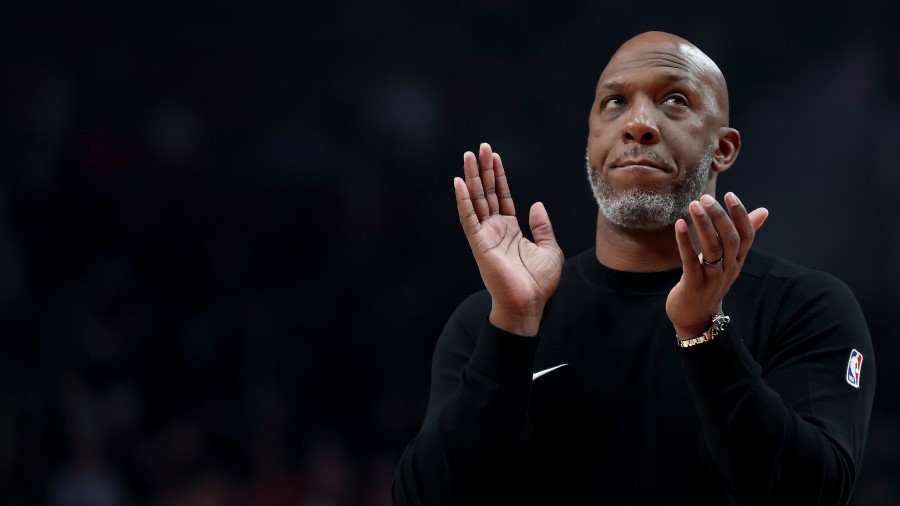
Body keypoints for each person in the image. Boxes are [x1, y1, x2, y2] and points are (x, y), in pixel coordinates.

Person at [392, 31, 875, 505]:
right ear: (591, 141)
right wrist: (513, 327)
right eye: (614, 102)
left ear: (723, 148)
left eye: (674, 100)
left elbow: (812, 493)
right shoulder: (493, 319)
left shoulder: (805, 307)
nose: (638, 123)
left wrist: (704, 333)